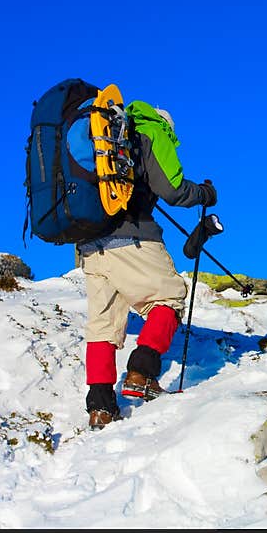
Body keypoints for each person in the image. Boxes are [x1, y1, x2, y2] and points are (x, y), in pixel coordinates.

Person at [78, 101, 217, 430]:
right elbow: (174, 190)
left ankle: (100, 406)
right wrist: (206, 193)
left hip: (88, 244)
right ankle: (141, 372)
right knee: (169, 297)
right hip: (131, 237)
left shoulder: (104, 138)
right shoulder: (153, 131)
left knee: (103, 326)